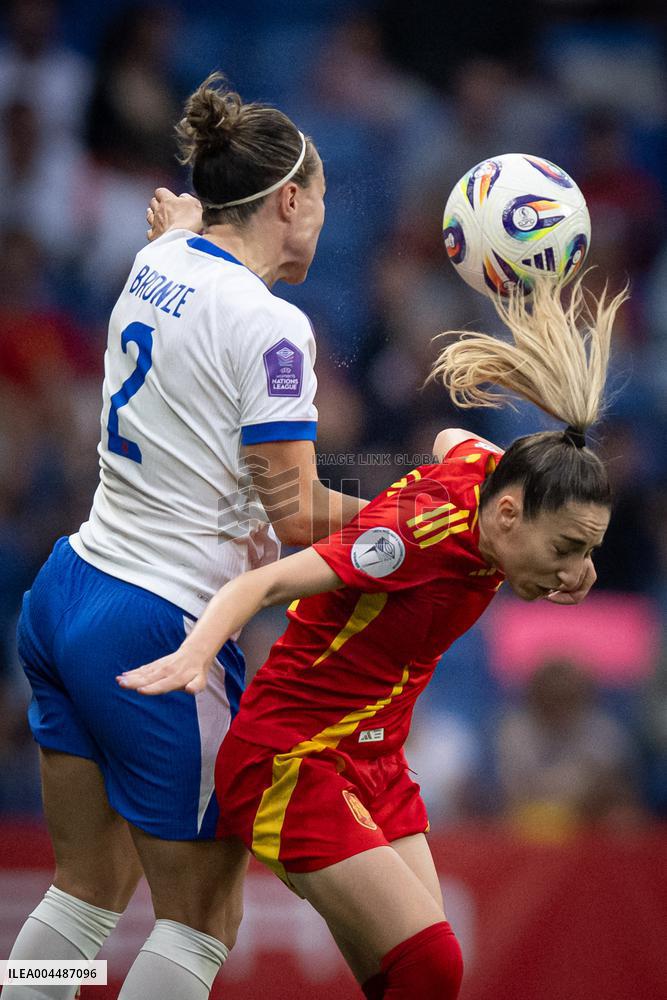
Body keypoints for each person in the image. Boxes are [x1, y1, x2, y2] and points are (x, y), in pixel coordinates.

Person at [119, 276, 627, 999]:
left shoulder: (491, 483)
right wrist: (196, 655)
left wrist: (568, 544)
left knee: (415, 980)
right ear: (509, 515)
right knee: (429, 963)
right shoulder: (406, 541)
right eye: (568, 549)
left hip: (373, 758)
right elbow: (258, 586)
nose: (574, 573)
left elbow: (452, 439)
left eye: (587, 552)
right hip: (291, 758)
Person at [6, 73, 366, 1000]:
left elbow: (177, 238)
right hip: (159, 628)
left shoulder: (152, 262)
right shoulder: (272, 325)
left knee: (83, 895)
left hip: (69, 589)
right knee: (200, 923)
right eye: (321, 197)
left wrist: (177, 221)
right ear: (289, 198)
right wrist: (415, 513)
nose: (323, 217)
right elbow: (296, 516)